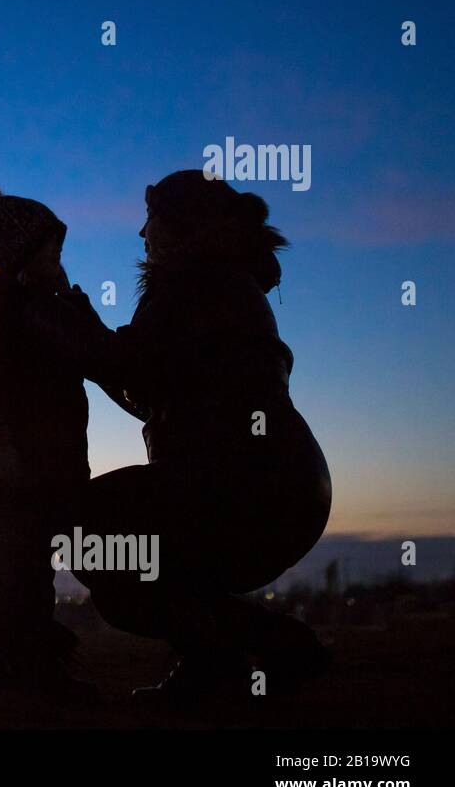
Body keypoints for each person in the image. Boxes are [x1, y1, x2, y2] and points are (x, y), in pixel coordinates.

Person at [24, 170, 332, 702]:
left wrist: (73, 329)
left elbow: (137, 370)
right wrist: (90, 335)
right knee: (131, 555)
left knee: (90, 535)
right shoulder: (219, 283)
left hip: (244, 486)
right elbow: (151, 384)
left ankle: (262, 646)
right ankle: (221, 664)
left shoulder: (199, 284)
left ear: (180, 225)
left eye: (152, 219)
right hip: (272, 484)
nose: (142, 234)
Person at [0, 184, 96, 706]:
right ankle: (0, 672)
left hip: (52, 463)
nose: (59, 261)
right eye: (52, 252)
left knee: (36, 568)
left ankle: (36, 668)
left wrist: (72, 300)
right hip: (14, 466)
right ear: (21, 253)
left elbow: (87, 351)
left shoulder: (46, 305)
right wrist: (0, 443)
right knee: (13, 566)